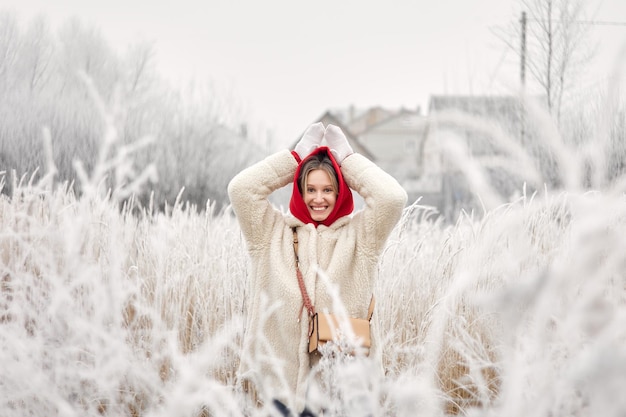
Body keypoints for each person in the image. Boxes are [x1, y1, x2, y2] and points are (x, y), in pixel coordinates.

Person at [227, 122, 407, 413]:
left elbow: (392, 198)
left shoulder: (360, 239)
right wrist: (295, 158)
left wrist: (347, 160)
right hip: (278, 389)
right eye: (310, 188)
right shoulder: (270, 234)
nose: (318, 198)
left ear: (340, 193)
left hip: (341, 391)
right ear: (299, 190)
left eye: (328, 189)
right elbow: (242, 190)